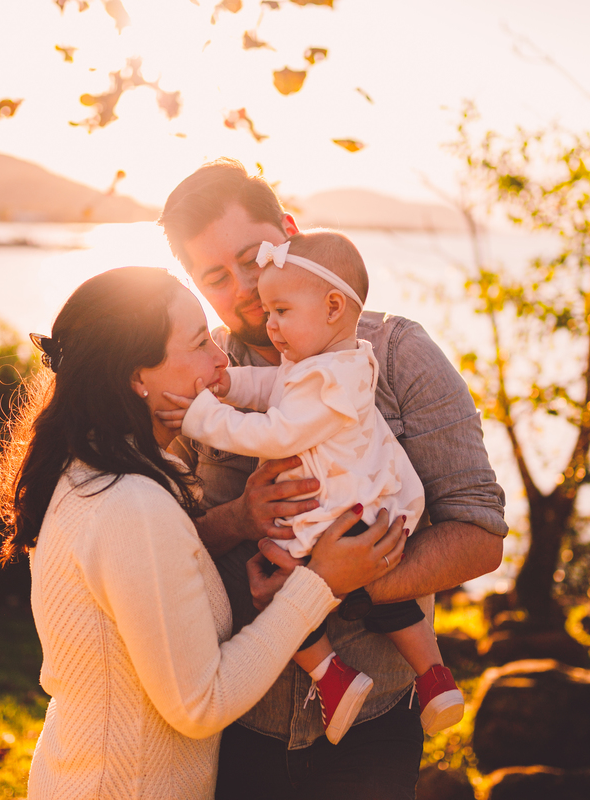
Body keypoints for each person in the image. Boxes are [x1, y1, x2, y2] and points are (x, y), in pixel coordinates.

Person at [159, 159, 508, 800]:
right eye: (215, 276)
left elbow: (482, 534)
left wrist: (349, 580)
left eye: (251, 257)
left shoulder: (397, 355)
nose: (242, 289)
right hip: (234, 721)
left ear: (290, 231)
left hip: (375, 733)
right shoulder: (196, 373)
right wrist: (236, 519)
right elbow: (154, 545)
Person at [0, 266, 407, 800]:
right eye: (197, 343)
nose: (221, 357)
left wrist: (239, 522)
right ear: (135, 378)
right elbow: (200, 703)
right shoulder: (129, 504)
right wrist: (319, 583)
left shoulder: (93, 474)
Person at [161, 230, 465, 746]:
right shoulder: (324, 362)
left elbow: (274, 431)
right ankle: (432, 675)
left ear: (331, 307)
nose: (269, 323)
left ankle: (333, 676)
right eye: (269, 312)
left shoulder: (336, 380)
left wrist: (201, 415)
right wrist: (231, 384)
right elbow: (273, 388)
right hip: (350, 504)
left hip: (336, 512)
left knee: (279, 589)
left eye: (280, 311)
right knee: (385, 607)